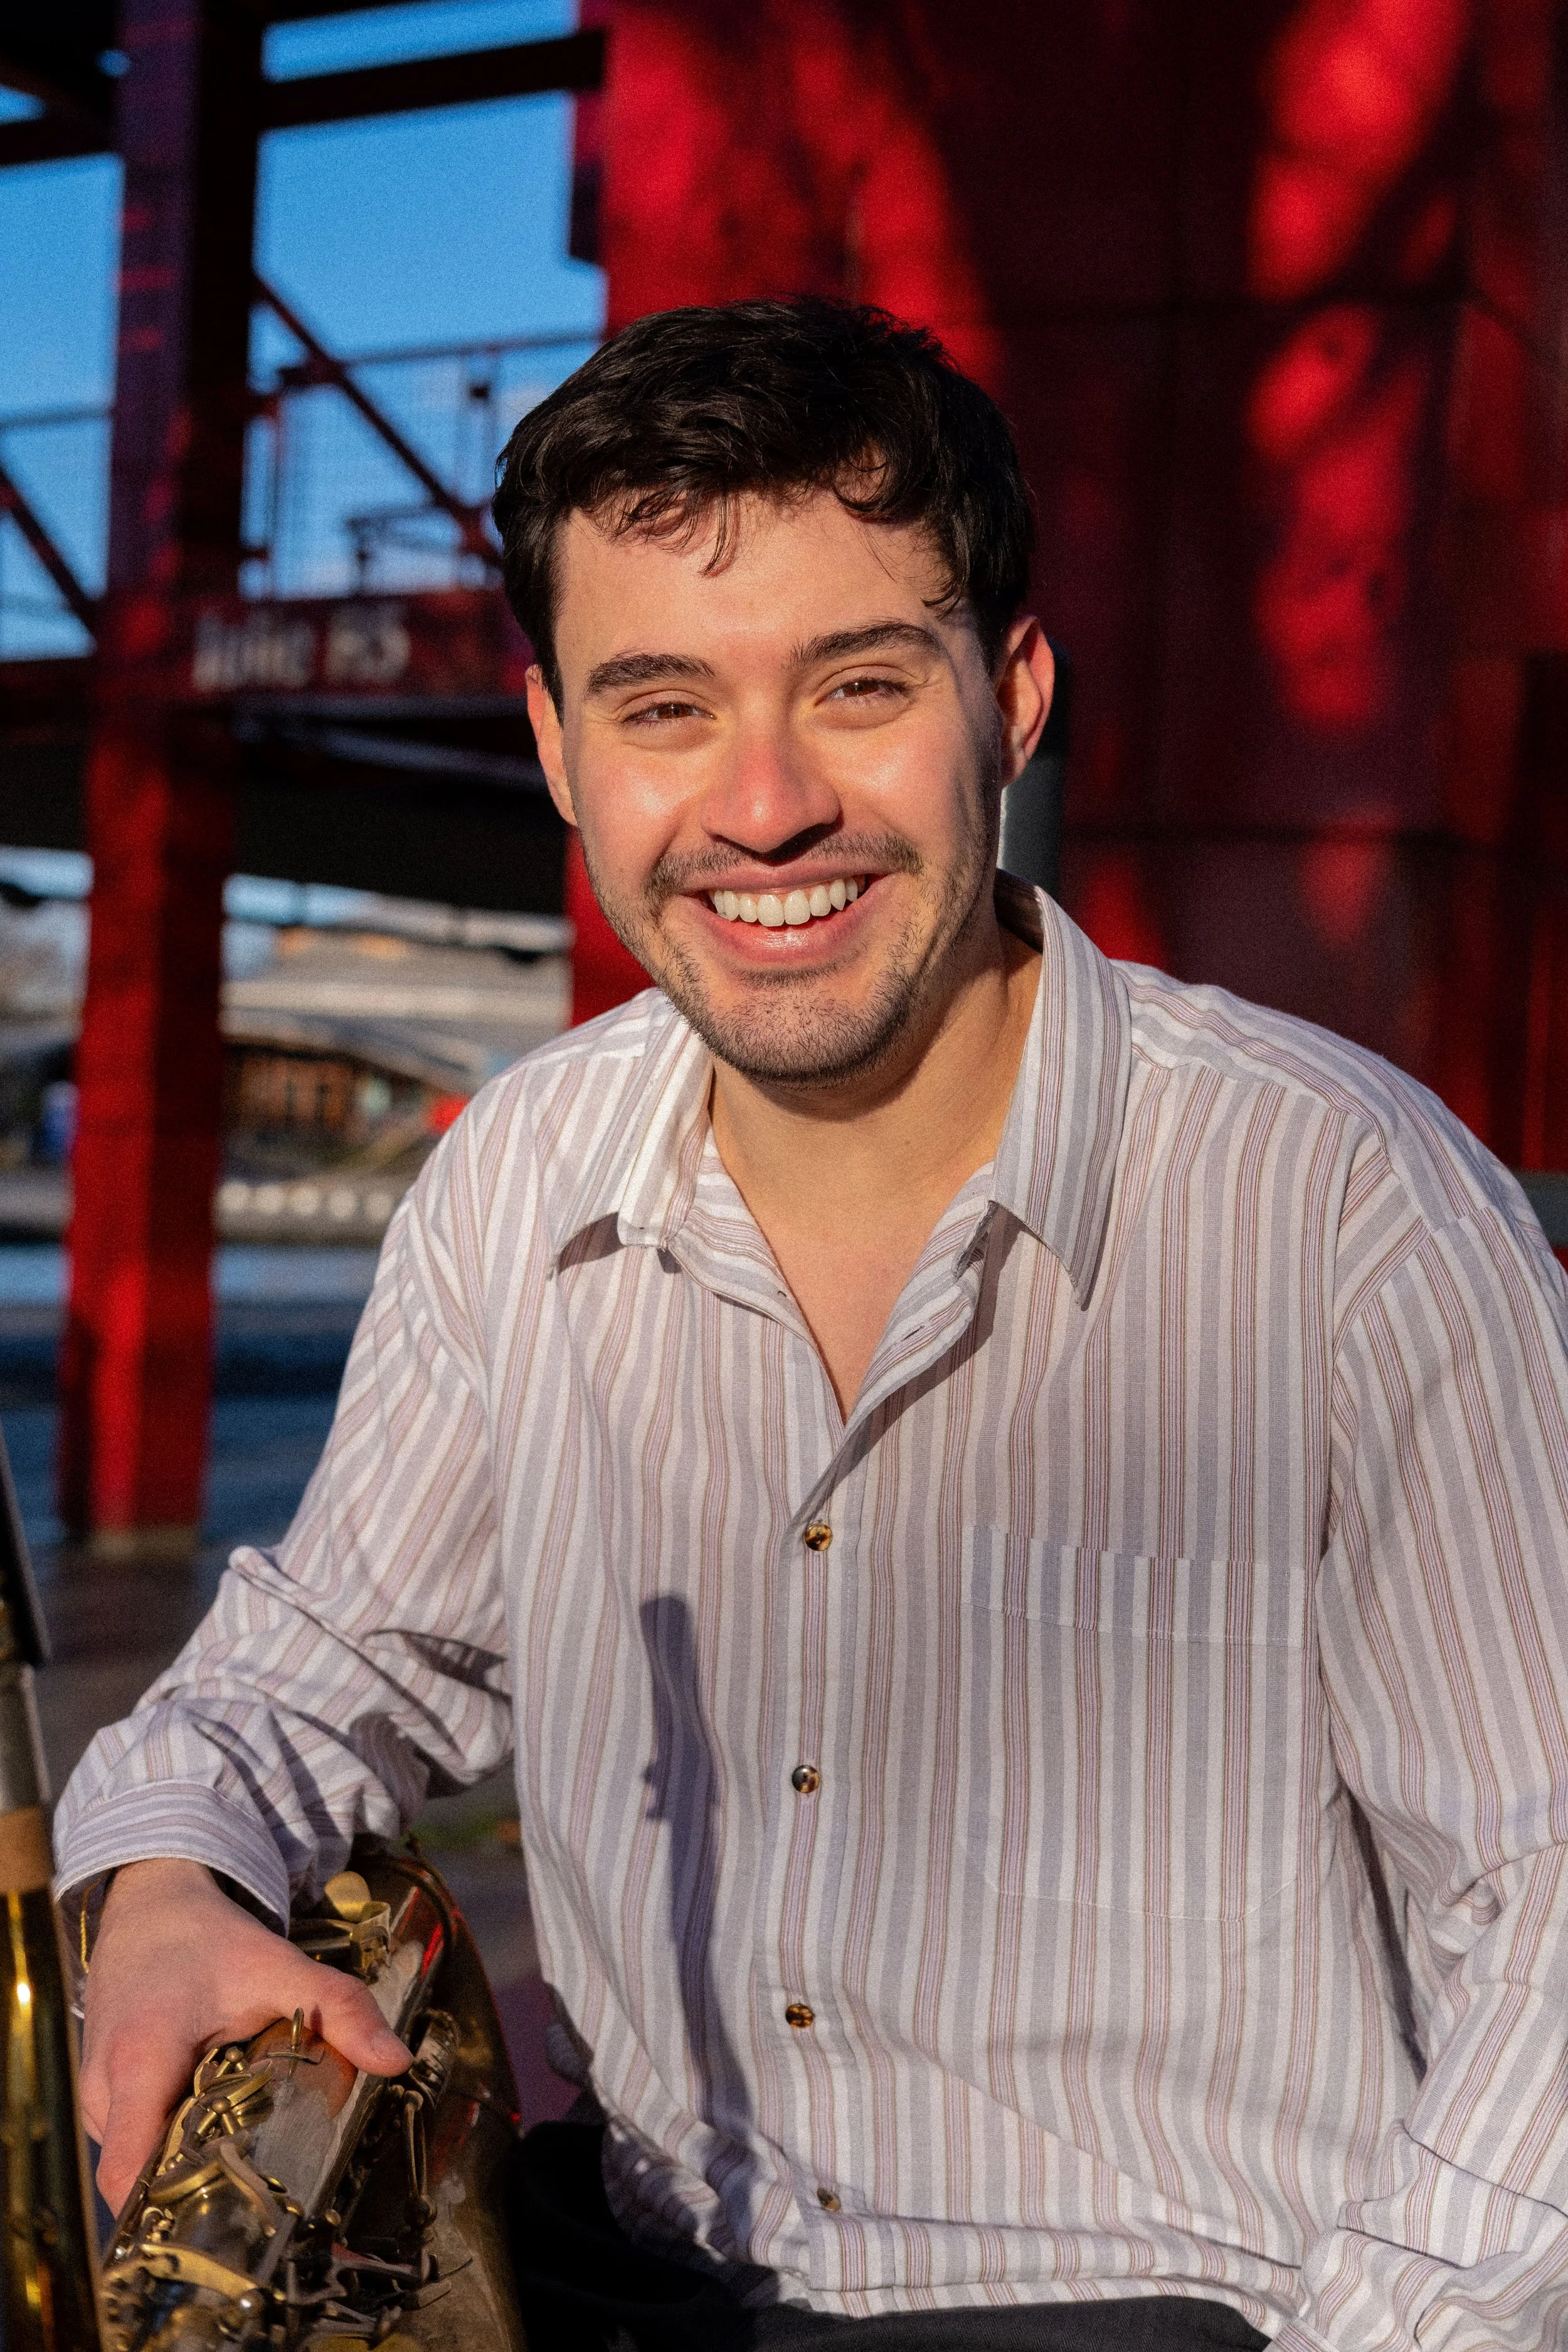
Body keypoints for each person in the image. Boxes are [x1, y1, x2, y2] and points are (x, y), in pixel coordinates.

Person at [57, 297, 1568, 2352]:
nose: (760, 807)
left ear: (1009, 696)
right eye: (660, 703)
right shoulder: (517, 1178)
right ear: (555, 747)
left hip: (1184, 2302)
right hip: (641, 2272)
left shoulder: (1342, 1211)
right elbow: (324, 1659)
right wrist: (153, 1885)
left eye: (855, 684)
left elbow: (1545, 1907)